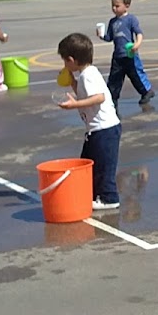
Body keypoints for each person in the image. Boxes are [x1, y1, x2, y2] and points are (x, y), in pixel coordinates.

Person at [56, 33, 122, 211]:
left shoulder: (89, 75)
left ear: (71, 60)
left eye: (65, 61)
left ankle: (109, 198)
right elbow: (87, 93)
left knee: (104, 165)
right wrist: (73, 84)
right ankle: (91, 193)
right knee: (88, 162)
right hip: (95, 130)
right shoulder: (85, 75)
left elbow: (99, 97)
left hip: (105, 129)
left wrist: (75, 104)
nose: (64, 65)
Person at [101, 0, 155, 106]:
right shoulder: (112, 22)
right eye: (113, 6)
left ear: (126, 6)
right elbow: (109, 37)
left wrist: (137, 44)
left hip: (130, 54)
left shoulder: (131, 19)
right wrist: (101, 36)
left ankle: (146, 91)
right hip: (118, 56)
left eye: (117, 6)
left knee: (136, 75)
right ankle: (112, 99)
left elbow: (139, 33)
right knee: (114, 78)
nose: (114, 8)